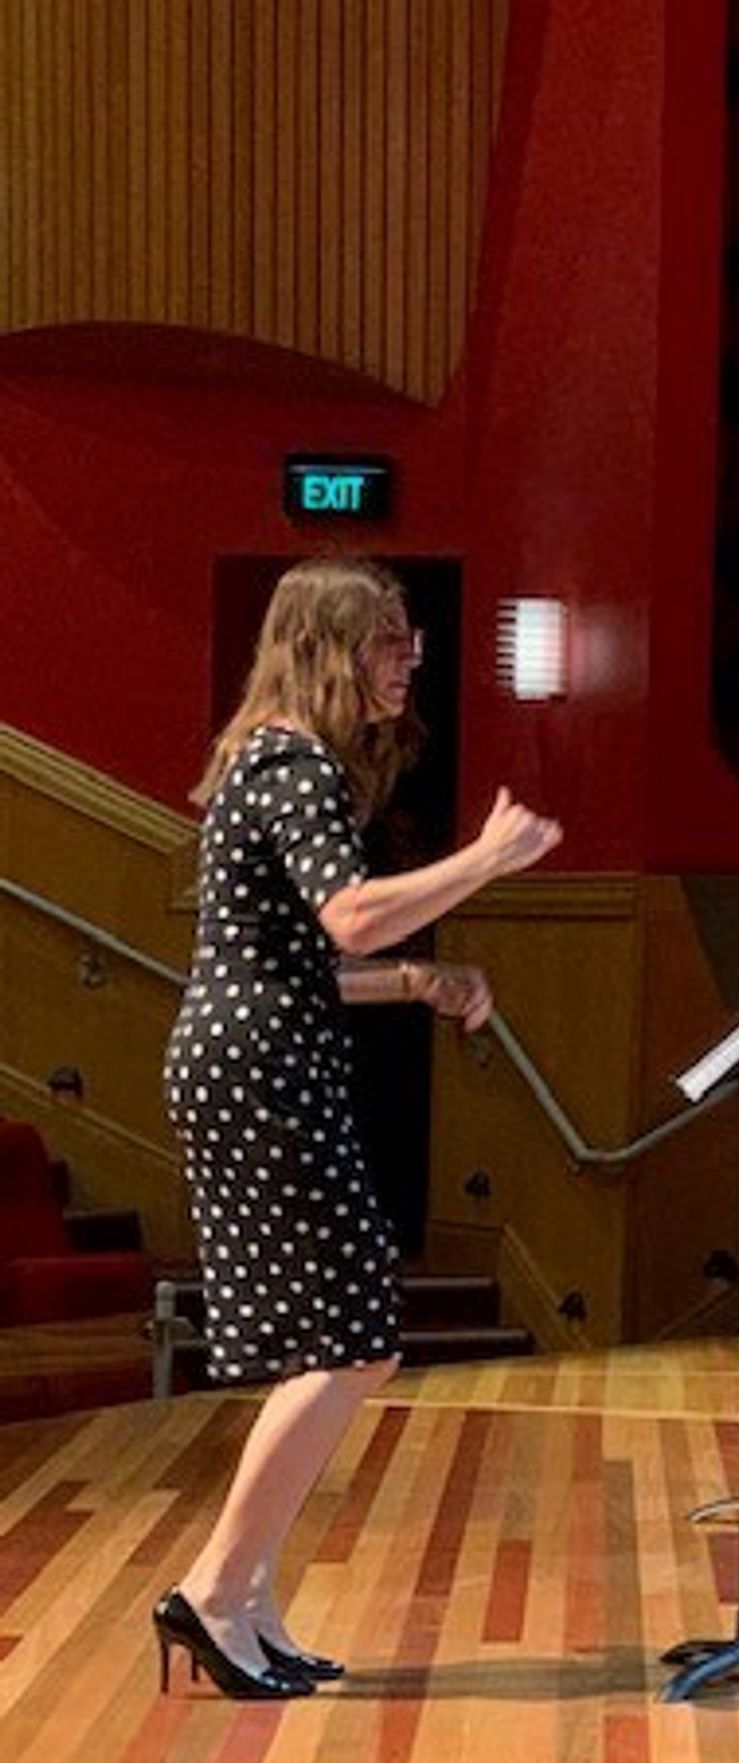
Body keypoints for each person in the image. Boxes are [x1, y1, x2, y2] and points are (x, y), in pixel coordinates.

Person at [157, 559, 561, 1698]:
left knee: (335, 1339)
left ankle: (247, 1598)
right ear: (329, 647)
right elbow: (348, 917)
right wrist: (486, 859)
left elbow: (294, 958)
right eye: (387, 639)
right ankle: (214, 1591)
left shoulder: (269, 758)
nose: (406, 660)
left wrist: (418, 982)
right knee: (348, 1340)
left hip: (247, 1055)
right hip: (261, 1072)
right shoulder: (295, 765)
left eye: (409, 640)